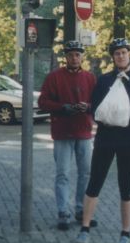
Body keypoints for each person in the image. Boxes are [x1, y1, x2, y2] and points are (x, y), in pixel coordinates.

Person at [74, 38, 130, 243]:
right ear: (112, 57)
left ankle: (125, 234)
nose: (120, 56)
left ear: (129, 54)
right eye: (116, 53)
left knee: (126, 187)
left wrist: (128, 80)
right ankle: (84, 230)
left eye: (123, 52)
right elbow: (97, 109)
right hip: (106, 139)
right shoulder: (104, 80)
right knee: (94, 183)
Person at [38, 40, 97, 231]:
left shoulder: (90, 78)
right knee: (63, 174)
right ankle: (63, 211)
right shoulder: (54, 77)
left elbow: (98, 102)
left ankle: (81, 210)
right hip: (62, 132)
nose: (74, 58)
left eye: (78, 54)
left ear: (82, 57)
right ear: (66, 57)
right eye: (71, 54)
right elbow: (43, 102)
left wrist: (87, 106)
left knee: (85, 173)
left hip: (84, 132)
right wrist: (63, 107)